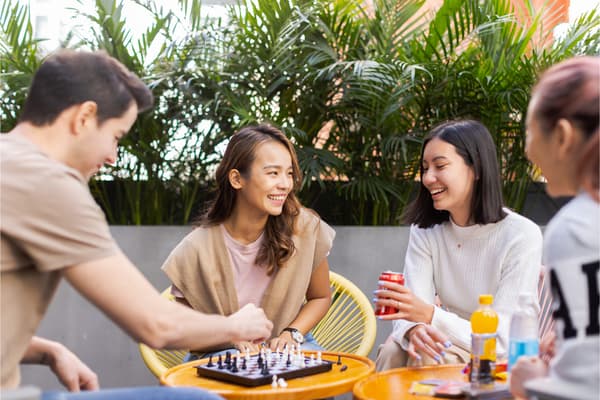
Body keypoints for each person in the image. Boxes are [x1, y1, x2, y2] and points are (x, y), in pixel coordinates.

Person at [0, 49, 273, 400]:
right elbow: (156, 325)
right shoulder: (47, 181)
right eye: (116, 136)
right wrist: (236, 325)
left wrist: (46, 350)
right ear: (84, 116)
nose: (113, 157)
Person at [375, 119, 543, 370]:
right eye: (425, 168)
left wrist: (430, 317)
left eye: (440, 166)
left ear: (476, 169)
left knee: (429, 357)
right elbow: (413, 310)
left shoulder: (521, 235)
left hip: (495, 355)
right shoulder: (425, 230)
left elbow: (503, 340)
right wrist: (415, 328)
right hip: (445, 339)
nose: (427, 178)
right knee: (393, 350)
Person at [162, 124, 334, 358]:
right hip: (221, 351)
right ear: (236, 179)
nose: (285, 184)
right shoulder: (195, 250)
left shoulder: (304, 230)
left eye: (289, 173)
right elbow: (186, 333)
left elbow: (321, 297)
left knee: (314, 381)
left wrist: (291, 333)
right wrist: (229, 338)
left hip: (291, 344)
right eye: (273, 173)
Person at [509, 56, 599, 400]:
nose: (529, 151)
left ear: (562, 136)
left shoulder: (575, 227)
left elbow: (584, 388)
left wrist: (535, 382)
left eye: (530, 133)